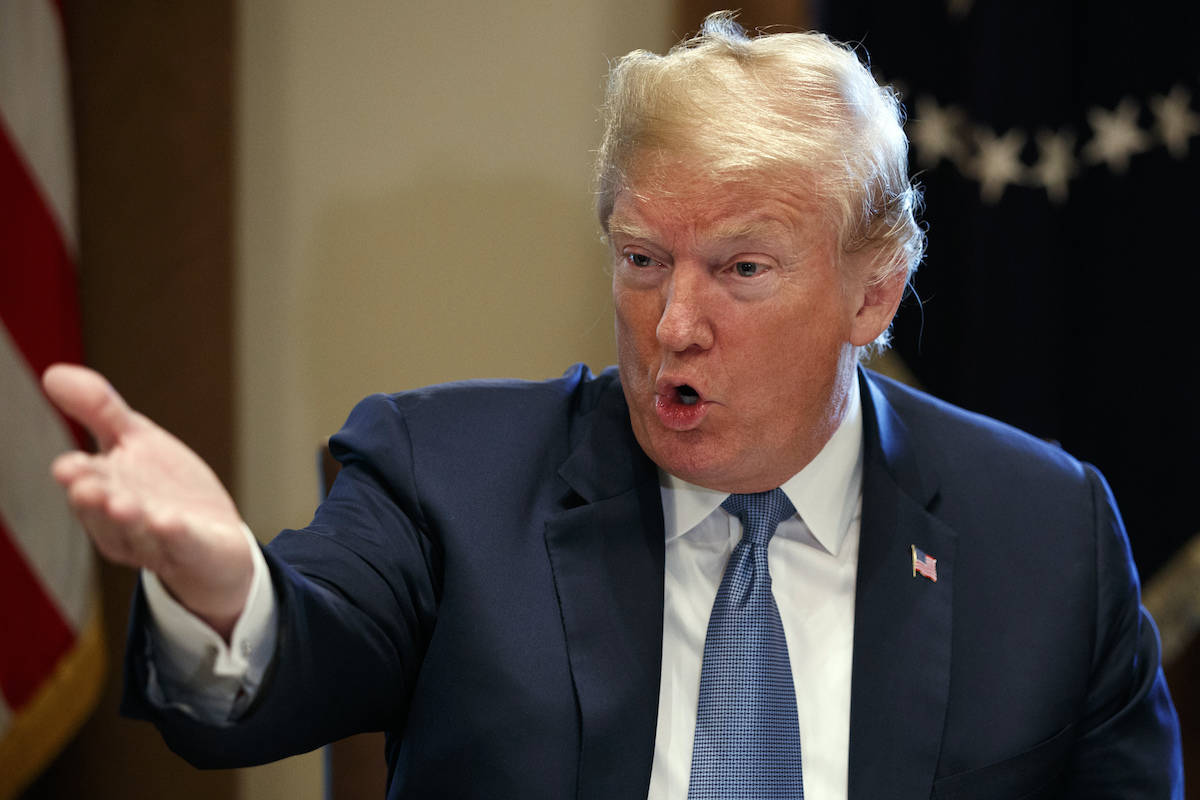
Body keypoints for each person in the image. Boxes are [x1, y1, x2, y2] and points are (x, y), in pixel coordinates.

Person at [44, 12, 1182, 799]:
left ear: (870, 291)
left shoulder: (1042, 530)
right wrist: (224, 586)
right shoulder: (446, 473)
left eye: (741, 269)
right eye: (643, 258)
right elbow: (300, 650)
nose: (674, 322)